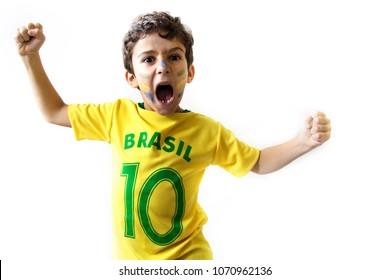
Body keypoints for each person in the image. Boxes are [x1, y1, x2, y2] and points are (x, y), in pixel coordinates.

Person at [14, 11, 331, 260]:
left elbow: (258, 162)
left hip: (187, 261)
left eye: (174, 56)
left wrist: (303, 142)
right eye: (148, 59)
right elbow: (54, 111)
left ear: (189, 73)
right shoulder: (116, 116)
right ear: (131, 78)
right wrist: (31, 58)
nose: (162, 67)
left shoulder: (206, 131)